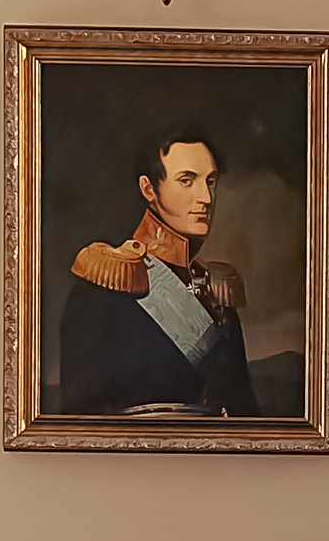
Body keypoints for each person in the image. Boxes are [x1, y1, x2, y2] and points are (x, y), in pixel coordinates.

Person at [55, 128, 256, 417]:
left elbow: (243, 410)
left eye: (210, 181)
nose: (206, 198)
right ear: (149, 189)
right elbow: (80, 415)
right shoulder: (104, 286)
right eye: (187, 181)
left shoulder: (215, 293)